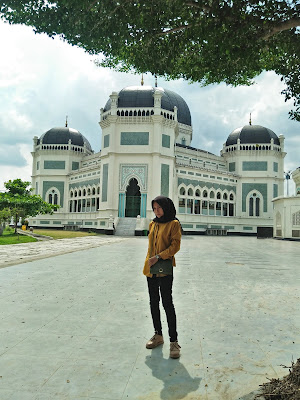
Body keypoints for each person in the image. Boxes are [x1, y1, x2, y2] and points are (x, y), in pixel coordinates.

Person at [143, 195, 182, 359]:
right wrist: (150, 261)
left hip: (164, 268)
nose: (156, 211)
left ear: (166, 207)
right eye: (154, 209)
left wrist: (159, 257)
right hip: (150, 269)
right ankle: (158, 335)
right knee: (153, 302)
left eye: (159, 208)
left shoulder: (174, 224)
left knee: (167, 303)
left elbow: (175, 246)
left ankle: (174, 341)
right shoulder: (153, 224)